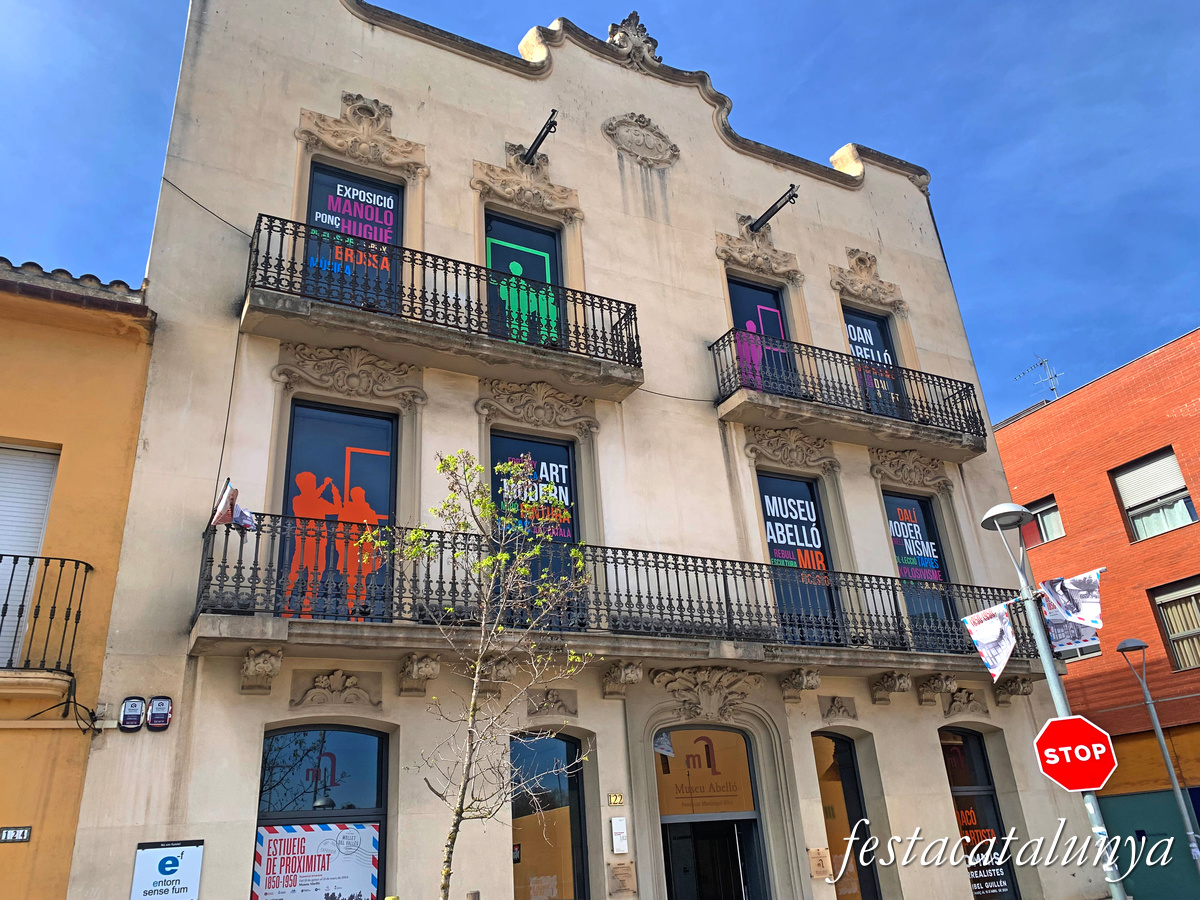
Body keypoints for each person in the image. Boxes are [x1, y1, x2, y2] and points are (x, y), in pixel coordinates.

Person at [284, 472, 342, 616]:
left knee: (314, 575)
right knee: (296, 573)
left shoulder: (317, 501)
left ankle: (307, 607)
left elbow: (337, 509)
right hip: (304, 542)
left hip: (319, 542)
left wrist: (335, 492)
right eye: (312, 483)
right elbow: (311, 499)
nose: (314, 485)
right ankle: (285, 604)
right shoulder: (299, 500)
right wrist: (325, 485)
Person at [335, 486, 383, 620]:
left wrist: (374, 551)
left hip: (364, 553)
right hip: (350, 551)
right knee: (351, 582)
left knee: (360, 582)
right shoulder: (347, 511)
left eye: (360, 495)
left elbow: (375, 533)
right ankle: (352, 610)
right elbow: (339, 531)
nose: (359, 498)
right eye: (357, 495)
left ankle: (359, 609)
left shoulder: (369, 512)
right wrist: (340, 549)